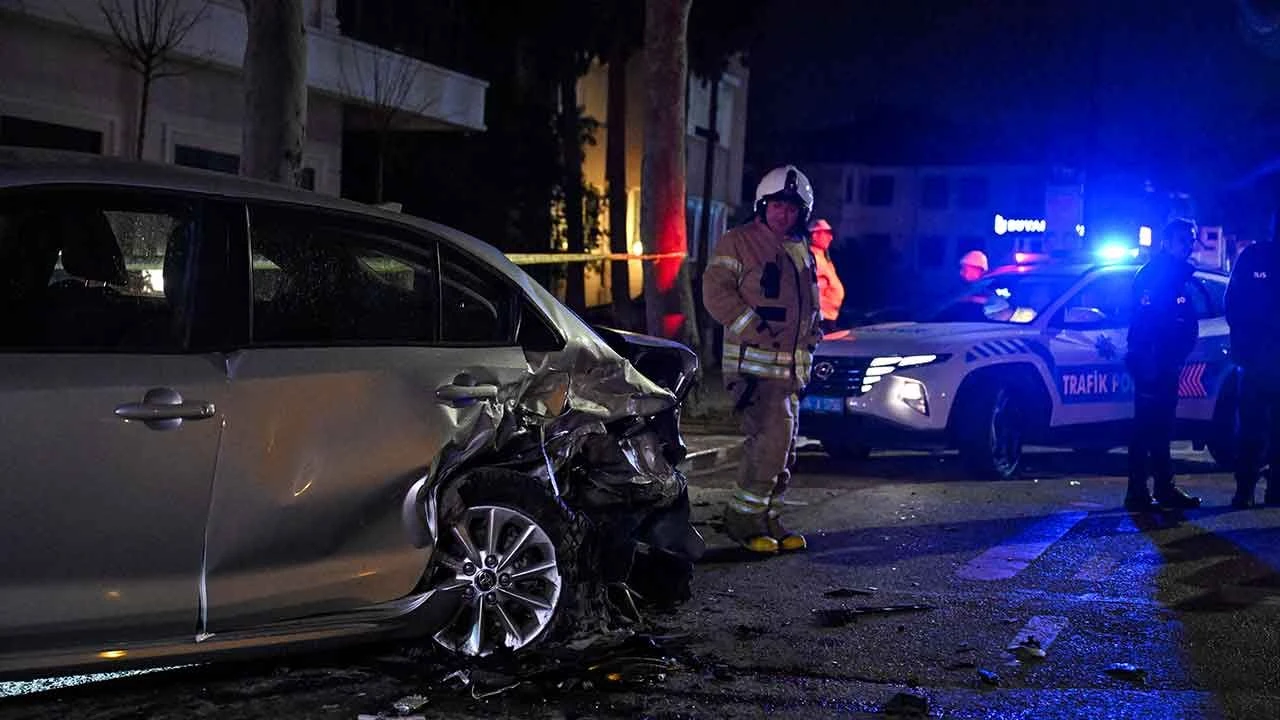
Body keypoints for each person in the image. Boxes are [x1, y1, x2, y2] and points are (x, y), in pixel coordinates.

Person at [703, 165, 822, 554]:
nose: (783, 213)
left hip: (790, 371)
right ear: (761, 205)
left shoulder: (802, 249)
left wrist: (814, 334)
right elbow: (716, 294)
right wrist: (755, 328)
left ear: (801, 211)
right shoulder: (737, 242)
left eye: (791, 207)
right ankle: (743, 523)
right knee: (768, 445)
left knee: (784, 450)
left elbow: (809, 305)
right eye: (776, 205)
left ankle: (770, 518)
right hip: (754, 368)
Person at [1123, 219, 1202, 511]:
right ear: (1166, 242)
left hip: (1165, 362)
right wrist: (1153, 362)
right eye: (1183, 239)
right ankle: (1138, 491)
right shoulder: (1156, 275)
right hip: (1152, 362)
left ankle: (1162, 487)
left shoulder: (1176, 276)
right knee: (1146, 427)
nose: (1189, 245)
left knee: (1162, 427)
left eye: (1191, 240)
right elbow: (1149, 324)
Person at [1225, 222, 1280, 508]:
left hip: (1259, 360)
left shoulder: (1253, 257)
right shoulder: (1254, 257)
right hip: (1256, 363)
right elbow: (1232, 304)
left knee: (1257, 430)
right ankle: (1245, 489)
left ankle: (1267, 490)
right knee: (1250, 430)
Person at [808, 218, 845, 333]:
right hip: (820, 319)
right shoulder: (812, 258)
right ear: (815, 235)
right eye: (826, 234)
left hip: (828, 318)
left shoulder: (823, 258)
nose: (830, 238)